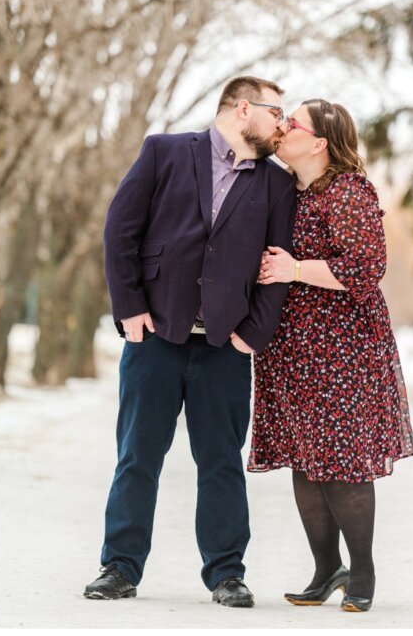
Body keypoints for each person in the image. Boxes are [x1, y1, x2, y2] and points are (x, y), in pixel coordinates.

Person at [87, 76, 297, 607]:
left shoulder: (276, 184)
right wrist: (129, 305)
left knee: (222, 460)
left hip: (226, 346)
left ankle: (227, 573)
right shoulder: (165, 152)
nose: (283, 124)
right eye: (277, 113)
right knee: (137, 455)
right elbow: (121, 229)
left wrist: (254, 336)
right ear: (244, 108)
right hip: (155, 334)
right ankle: (119, 567)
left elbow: (277, 268)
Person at [248, 98, 413, 613]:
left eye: (292, 122)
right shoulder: (284, 191)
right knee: (306, 457)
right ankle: (327, 569)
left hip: (342, 346)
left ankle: (362, 571)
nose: (282, 128)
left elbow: (366, 269)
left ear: (319, 142)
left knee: (342, 460)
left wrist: (294, 270)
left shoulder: (346, 192)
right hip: (291, 346)